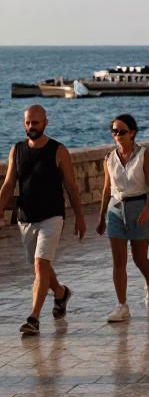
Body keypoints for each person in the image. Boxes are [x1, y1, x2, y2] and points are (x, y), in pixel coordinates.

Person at [0, 105, 86, 336]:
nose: (31, 127)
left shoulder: (58, 151)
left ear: (46, 123)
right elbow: (9, 184)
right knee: (42, 267)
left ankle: (33, 318)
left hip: (52, 215)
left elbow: (71, 185)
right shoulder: (16, 150)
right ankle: (60, 293)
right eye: (27, 123)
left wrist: (79, 216)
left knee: (40, 265)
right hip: (26, 217)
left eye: (35, 123)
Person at [96, 113, 149, 323]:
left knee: (139, 259)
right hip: (116, 209)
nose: (117, 135)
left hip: (139, 207)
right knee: (118, 261)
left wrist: (147, 210)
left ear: (132, 133)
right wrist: (101, 216)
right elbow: (107, 189)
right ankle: (122, 305)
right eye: (114, 131)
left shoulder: (144, 155)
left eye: (122, 131)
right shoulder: (109, 158)